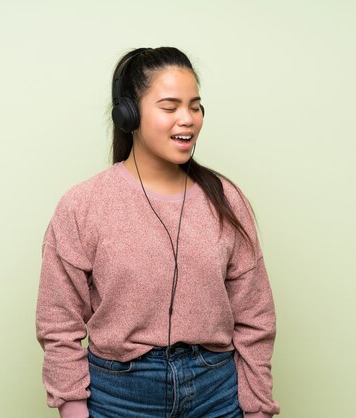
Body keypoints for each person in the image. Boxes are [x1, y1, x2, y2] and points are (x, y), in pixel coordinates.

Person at [36, 47, 280, 418]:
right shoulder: (83, 204)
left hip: (215, 390)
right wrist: (72, 408)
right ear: (128, 114)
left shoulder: (227, 201)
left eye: (195, 106)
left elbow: (255, 316)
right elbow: (58, 322)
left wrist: (258, 408)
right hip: (119, 395)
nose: (188, 119)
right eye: (170, 107)